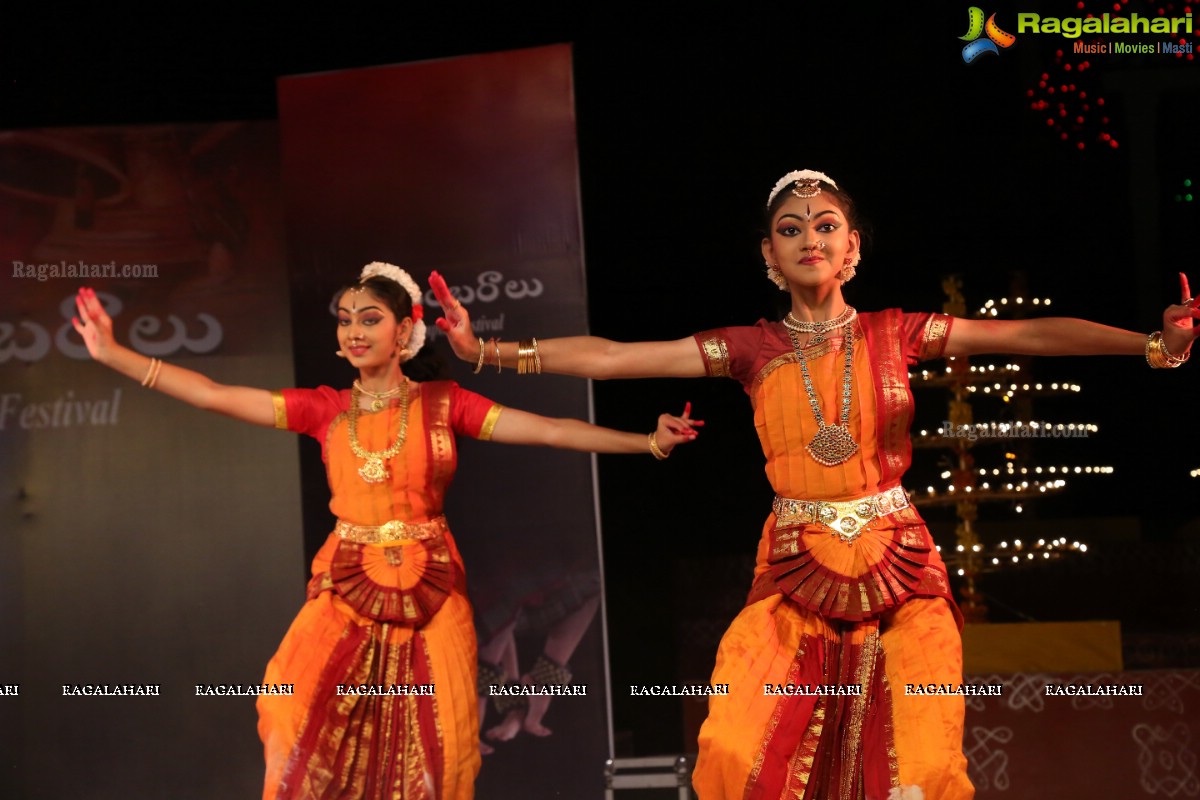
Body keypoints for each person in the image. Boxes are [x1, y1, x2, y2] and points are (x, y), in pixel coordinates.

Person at [430, 169, 1199, 800]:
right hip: (795, 568)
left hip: (901, 566)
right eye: (791, 229)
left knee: (920, 764)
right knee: (736, 748)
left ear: (853, 247)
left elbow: (1030, 334)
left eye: (825, 224)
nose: (810, 237)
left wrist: (1153, 348)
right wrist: (488, 351)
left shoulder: (897, 334)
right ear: (769, 254)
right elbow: (616, 356)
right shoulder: (750, 348)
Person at [71, 261, 700, 800]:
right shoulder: (326, 409)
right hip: (345, 589)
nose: (352, 331)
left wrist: (646, 442)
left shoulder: (444, 403)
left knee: (447, 746)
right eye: (345, 319)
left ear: (405, 330)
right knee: (293, 714)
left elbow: (552, 430)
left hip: (431, 590)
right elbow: (212, 394)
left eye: (368, 318)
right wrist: (114, 354)